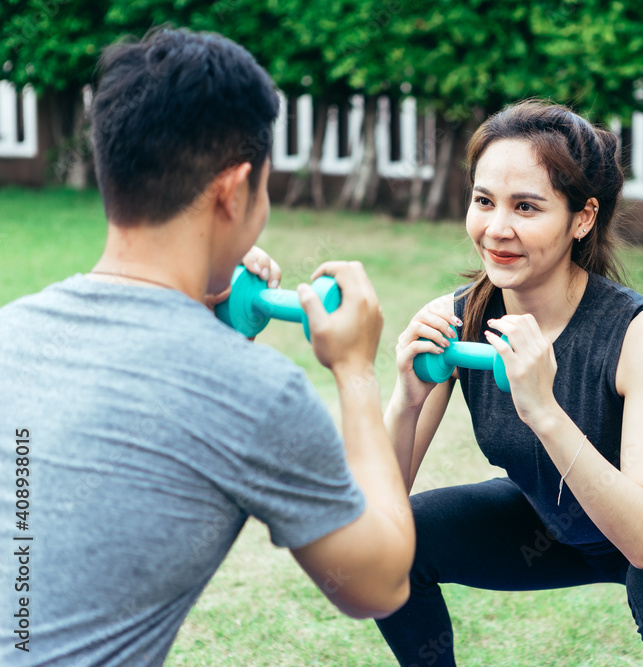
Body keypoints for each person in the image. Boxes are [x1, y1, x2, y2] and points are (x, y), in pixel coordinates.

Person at [0, 28, 414, 665]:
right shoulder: (257, 393)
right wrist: (356, 370)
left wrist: (208, 330)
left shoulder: (13, 329)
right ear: (233, 188)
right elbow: (380, 584)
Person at [376, 100, 643, 666]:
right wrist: (407, 397)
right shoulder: (458, 322)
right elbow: (373, 519)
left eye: (527, 206)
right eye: (483, 201)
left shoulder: (641, 334)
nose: (497, 229)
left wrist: (543, 409)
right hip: (552, 519)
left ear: (583, 217)